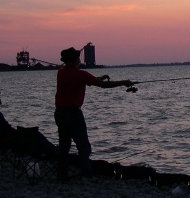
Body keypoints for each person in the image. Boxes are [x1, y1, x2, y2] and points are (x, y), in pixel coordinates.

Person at [54, 47, 133, 178]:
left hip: (59, 113)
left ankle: (61, 174)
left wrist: (100, 77)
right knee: (84, 146)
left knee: (64, 145)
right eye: (78, 57)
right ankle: (86, 173)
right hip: (73, 114)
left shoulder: (60, 73)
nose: (80, 59)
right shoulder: (80, 74)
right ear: (75, 60)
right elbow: (103, 85)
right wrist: (123, 82)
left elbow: (85, 80)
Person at [0, 90, 58, 156]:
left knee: (33, 134)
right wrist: (19, 132)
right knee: (35, 134)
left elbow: (4, 130)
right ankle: (54, 152)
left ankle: (52, 150)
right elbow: (7, 130)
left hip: (0, 141)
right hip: (6, 142)